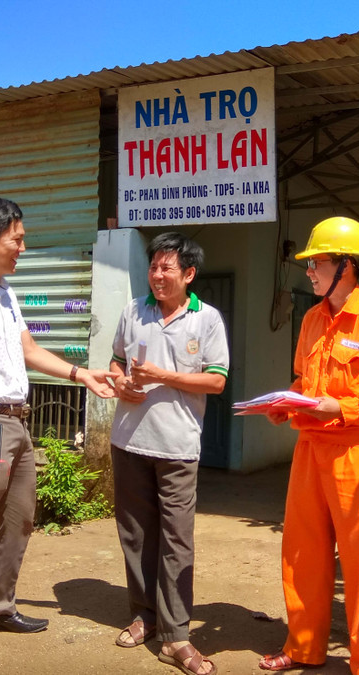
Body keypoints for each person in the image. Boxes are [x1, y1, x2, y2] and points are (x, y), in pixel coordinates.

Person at [0, 197, 118, 670]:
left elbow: (27, 347)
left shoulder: (3, 291)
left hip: (16, 420)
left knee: (19, 520)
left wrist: (81, 374)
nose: (22, 248)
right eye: (17, 238)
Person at [258, 216, 359, 675]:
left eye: (317, 263)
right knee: (303, 551)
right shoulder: (311, 319)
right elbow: (307, 383)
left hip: (356, 451)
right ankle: (304, 647)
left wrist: (340, 409)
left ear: (347, 266)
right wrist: (286, 403)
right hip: (310, 447)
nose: (308, 271)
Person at [110, 232, 229, 675]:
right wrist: (120, 380)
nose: (158, 276)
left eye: (167, 268)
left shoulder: (207, 320)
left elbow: (216, 380)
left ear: (189, 274)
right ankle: (144, 614)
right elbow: (116, 360)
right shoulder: (132, 311)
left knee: (177, 540)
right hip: (128, 441)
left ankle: (176, 635)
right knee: (136, 535)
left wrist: (165, 375)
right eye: (154, 266)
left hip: (178, 447)